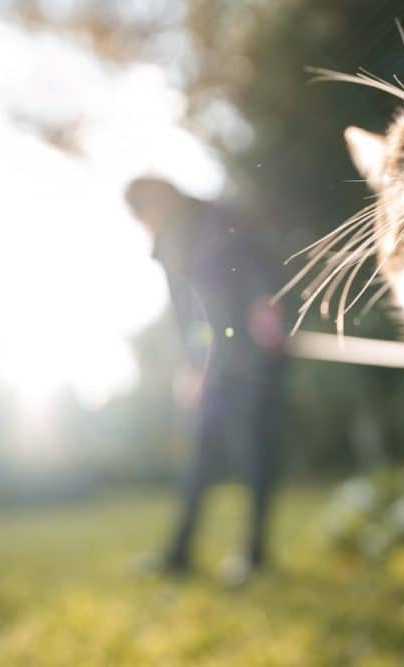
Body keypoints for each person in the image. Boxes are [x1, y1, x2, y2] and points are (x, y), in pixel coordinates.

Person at [125, 178, 287, 578]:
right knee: (198, 460)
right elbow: (185, 311)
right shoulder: (165, 247)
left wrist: (266, 301)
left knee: (255, 453)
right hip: (211, 362)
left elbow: (256, 261)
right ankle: (179, 555)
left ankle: (255, 556)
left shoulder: (218, 217)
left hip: (253, 350)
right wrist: (190, 366)